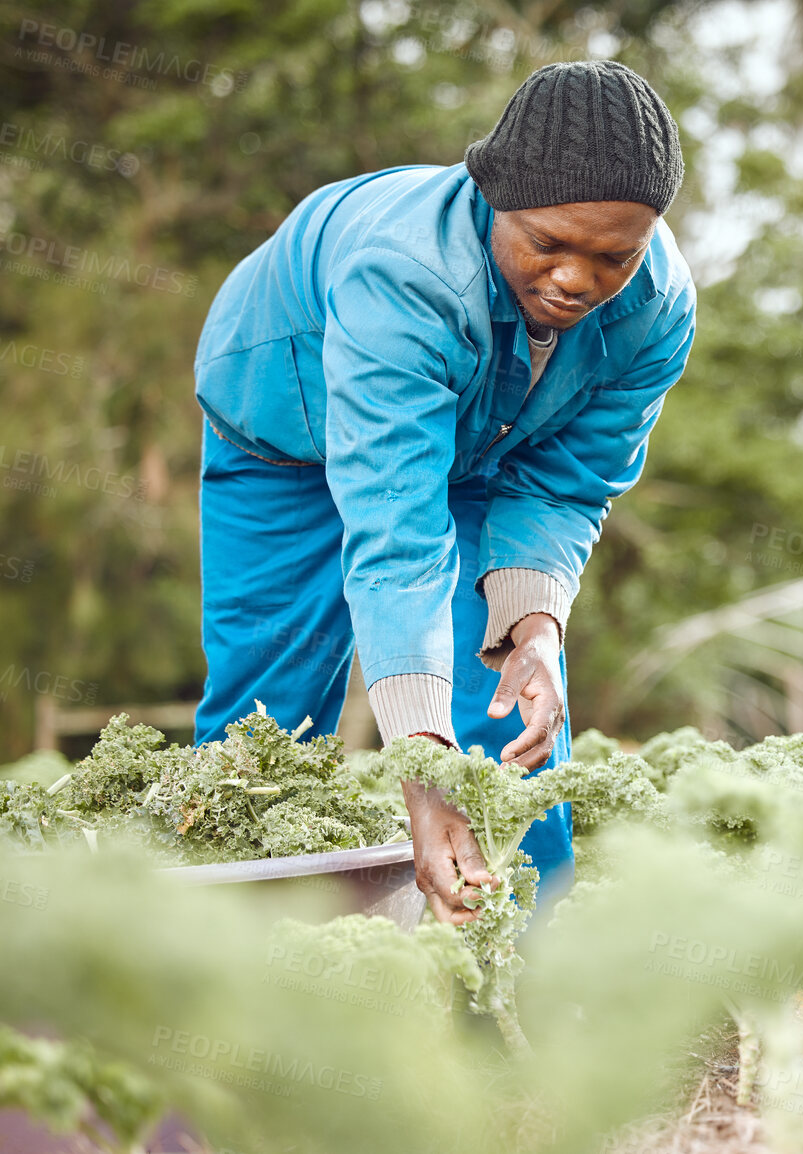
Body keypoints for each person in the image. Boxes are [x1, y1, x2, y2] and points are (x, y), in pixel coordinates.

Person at [192, 60, 695, 923]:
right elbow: (398, 534)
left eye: (612, 255)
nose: (577, 280)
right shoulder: (405, 272)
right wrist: (421, 767)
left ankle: (518, 973)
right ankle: (241, 981)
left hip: (484, 442)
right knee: (264, 731)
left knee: (514, 700)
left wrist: (535, 623)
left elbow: (565, 485)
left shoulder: (656, 307)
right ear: (493, 197)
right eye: (547, 244)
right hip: (284, 429)